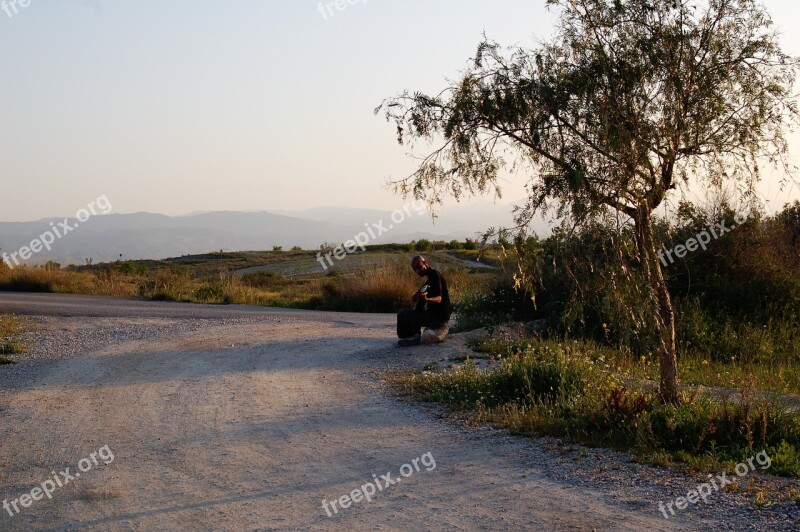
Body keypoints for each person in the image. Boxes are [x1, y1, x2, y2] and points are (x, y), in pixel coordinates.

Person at [397, 255, 452, 346]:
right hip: (436, 315)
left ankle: (414, 336)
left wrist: (426, 299)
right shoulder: (429, 280)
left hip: (438, 317)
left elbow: (439, 298)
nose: (417, 271)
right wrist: (416, 296)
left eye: (419, 267)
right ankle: (412, 336)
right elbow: (419, 298)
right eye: (415, 269)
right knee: (416, 309)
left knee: (402, 313)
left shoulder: (435, 275)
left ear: (425, 263)